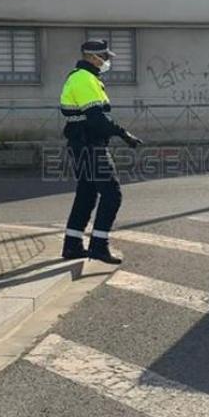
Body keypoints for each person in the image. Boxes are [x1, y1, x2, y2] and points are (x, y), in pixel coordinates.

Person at [60, 39, 143, 264]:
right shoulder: (84, 79)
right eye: (105, 57)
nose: (107, 61)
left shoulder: (82, 77)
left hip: (83, 145)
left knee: (86, 194)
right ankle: (99, 245)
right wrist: (124, 134)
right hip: (90, 146)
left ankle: (73, 244)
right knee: (112, 194)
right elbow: (97, 118)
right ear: (93, 57)